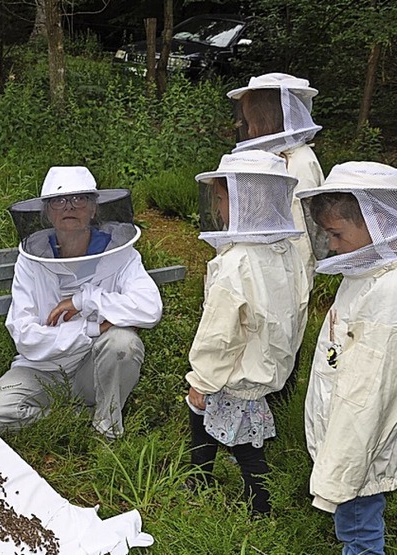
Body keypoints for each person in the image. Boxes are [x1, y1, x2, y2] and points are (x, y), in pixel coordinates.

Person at [0, 166, 163, 440]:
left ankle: (107, 431)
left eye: (80, 200)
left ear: (93, 209)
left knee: (123, 342)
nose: (70, 207)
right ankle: (81, 418)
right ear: (47, 212)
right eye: (59, 201)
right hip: (41, 368)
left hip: (94, 367)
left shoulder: (121, 254)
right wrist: (91, 329)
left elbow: (149, 308)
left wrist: (83, 300)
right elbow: (25, 335)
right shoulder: (30, 261)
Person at [185, 150, 310, 516]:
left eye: (221, 198)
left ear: (243, 200)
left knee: (244, 445)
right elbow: (299, 310)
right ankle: (200, 476)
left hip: (234, 373)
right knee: (214, 422)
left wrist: (202, 379)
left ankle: (261, 507)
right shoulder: (286, 252)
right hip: (264, 366)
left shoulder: (235, 262)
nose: (218, 207)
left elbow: (219, 333)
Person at [297, 161, 397, 554]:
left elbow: (366, 397)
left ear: (377, 222)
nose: (333, 246)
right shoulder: (366, 277)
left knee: (358, 530)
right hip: (351, 441)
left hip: (358, 446)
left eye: (337, 234)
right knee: (359, 520)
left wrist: (339, 469)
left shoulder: (386, 296)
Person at [227, 72, 327, 402]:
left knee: (279, 340)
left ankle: (272, 418)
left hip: (284, 273)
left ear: (270, 116)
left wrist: (286, 282)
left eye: (252, 119)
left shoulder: (300, 162)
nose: (247, 127)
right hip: (257, 267)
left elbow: (305, 232)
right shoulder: (267, 157)